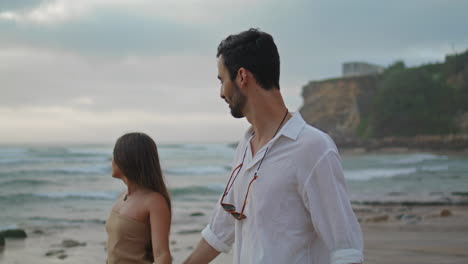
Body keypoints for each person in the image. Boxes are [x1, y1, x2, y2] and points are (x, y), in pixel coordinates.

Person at [184, 29, 363, 264]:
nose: (221, 93)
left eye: (222, 80)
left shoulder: (312, 147)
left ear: (242, 76)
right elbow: (220, 229)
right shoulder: (245, 147)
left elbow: (346, 249)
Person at [106, 132, 172, 264]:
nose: (111, 160)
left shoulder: (154, 201)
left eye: (115, 155)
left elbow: (162, 255)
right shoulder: (123, 196)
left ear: (126, 159)